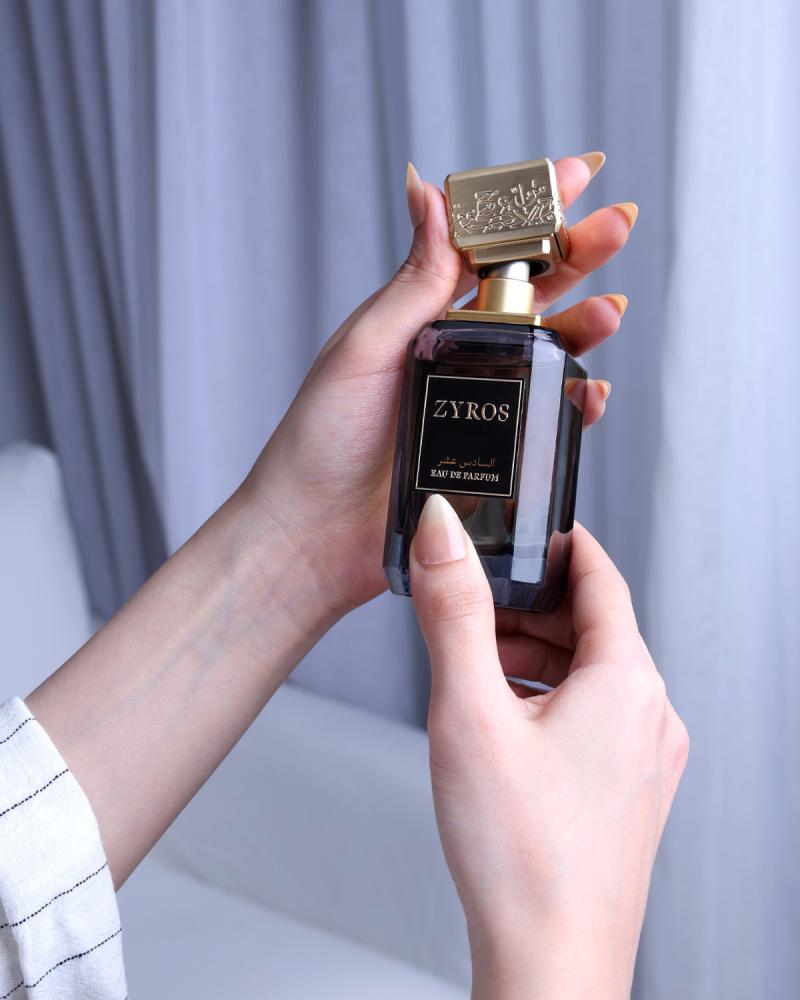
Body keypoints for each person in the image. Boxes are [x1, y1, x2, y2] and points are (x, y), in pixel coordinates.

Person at [0, 154, 687, 999]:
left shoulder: (489, 354)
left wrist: (297, 544)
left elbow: (15, 890)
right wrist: (569, 941)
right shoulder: (459, 349)